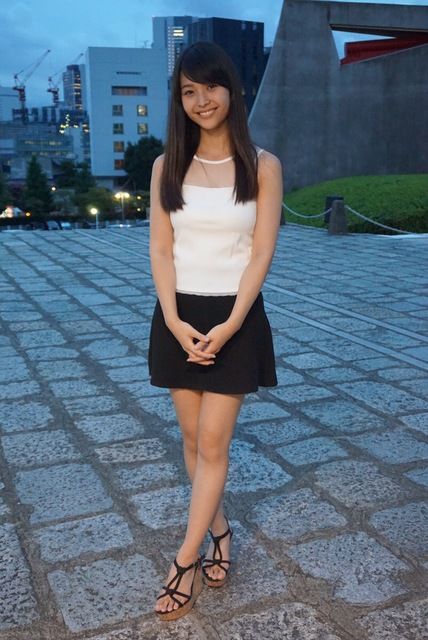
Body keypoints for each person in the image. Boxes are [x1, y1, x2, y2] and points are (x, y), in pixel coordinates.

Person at [148, 41, 283, 621]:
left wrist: (229, 326)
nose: (202, 100)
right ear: (179, 100)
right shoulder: (166, 166)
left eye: (211, 87)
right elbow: (161, 248)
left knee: (212, 442)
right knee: (189, 436)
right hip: (177, 316)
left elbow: (261, 253)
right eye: (189, 91)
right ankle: (220, 530)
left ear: (232, 89)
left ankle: (184, 560)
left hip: (236, 317)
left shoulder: (262, 165)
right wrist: (173, 319)